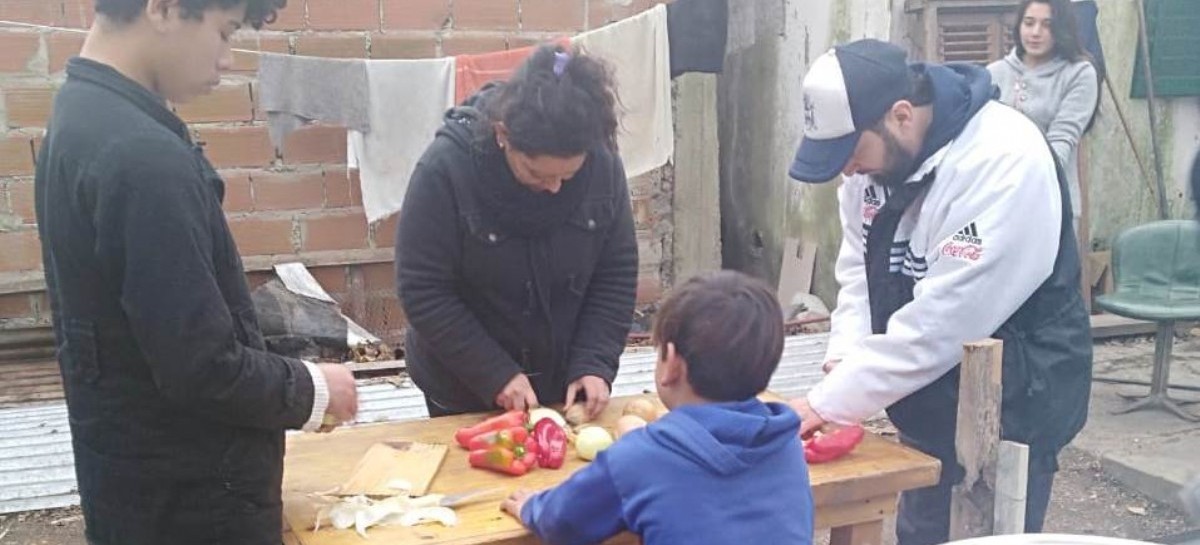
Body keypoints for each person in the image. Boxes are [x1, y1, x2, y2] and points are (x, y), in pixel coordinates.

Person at [34, 1, 360, 543]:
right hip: (191, 503)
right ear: (161, 8)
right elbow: (202, 367)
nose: (228, 60)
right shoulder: (141, 157)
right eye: (225, 32)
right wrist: (312, 390)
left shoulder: (78, 117)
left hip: (132, 483)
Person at [787, 39, 1092, 545]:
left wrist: (827, 403)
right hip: (932, 397)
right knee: (922, 527)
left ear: (901, 115)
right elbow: (860, 272)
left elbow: (948, 320)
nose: (846, 170)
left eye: (851, 152)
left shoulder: (1003, 158)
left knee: (990, 532)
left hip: (1017, 395)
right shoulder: (876, 164)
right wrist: (844, 359)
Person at [395, 44, 639, 420]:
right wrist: (495, 374)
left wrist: (595, 361)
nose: (555, 188)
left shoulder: (603, 164)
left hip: (566, 384)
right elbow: (424, 291)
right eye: (537, 173)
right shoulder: (444, 171)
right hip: (465, 385)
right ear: (502, 134)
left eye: (568, 175)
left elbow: (616, 271)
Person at [500, 270, 814, 545]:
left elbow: (563, 522)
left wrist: (532, 507)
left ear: (671, 364)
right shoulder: (785, 441)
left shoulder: (638, 458)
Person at [988, 0, 1100, 233]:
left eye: (1047, 25)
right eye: (1029, 23)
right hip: (995, 205)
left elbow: (1061, 143)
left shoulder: (1079, 74)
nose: (1036, 33)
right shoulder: (995, 73)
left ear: (1062, 29)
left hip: (1052, 204)